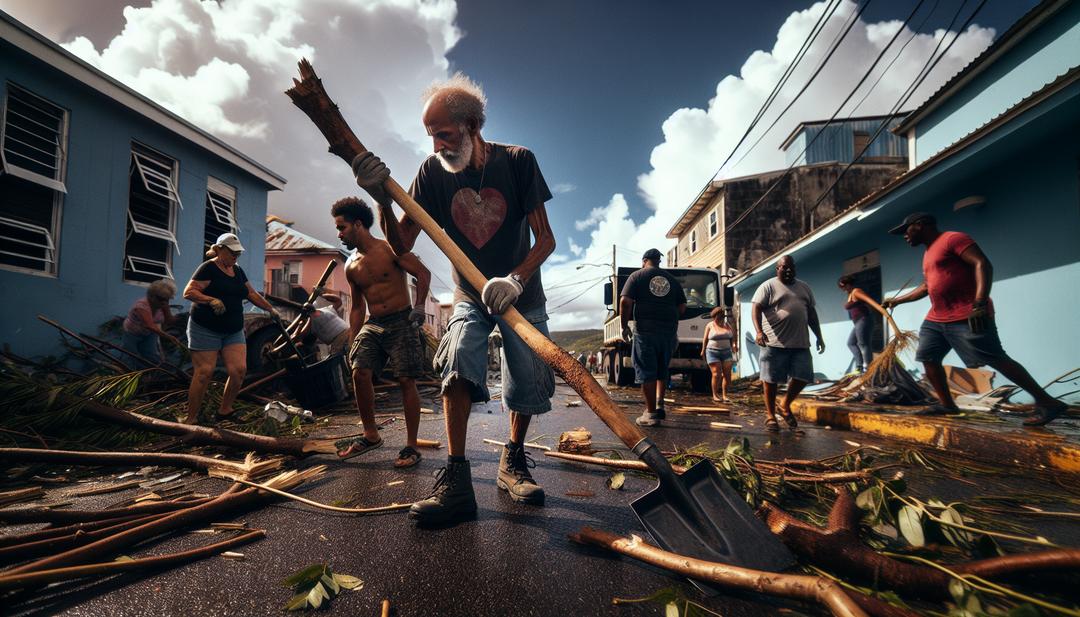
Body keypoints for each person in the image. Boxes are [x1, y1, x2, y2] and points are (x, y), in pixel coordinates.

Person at [352, 73, 556, 524]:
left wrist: (517, 279)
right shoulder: (431, 173)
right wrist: (381, 200)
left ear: (472, 127)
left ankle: (514, 459)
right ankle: (458, 481)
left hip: (522, 293)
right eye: (430, 135)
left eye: (443, 133)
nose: (436, 145)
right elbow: (402, 244)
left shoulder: (519, 161)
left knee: (525, 381)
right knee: (458, 358)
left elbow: (546, 239)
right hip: (468, 291)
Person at [881, 213, 1067, 426]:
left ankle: (1046, 401)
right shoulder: (928, 253)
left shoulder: (953, 239)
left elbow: (982, 264)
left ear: (920, 225)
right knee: (928, 357)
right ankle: (947, 405)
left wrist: (979, 303)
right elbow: (927, 286)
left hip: (967, 314)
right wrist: (897, 301)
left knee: (995, 357)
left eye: (906, 230)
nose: (904, 236)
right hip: (936, 318)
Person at [331, 197, 431, 468]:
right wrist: (352, 339)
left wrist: (420, 307)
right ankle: (371, 434)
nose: (339, 234)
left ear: (358, 224)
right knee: (359, 372)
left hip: (402, 319)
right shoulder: (351, 265)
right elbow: (357, 306)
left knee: (405, 380)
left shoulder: (390, 249)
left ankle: (411, 446)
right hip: (374, 323)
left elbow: (422, 273)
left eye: (342, 227)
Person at [182, 233, 281, 424]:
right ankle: (191, 418)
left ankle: (225, 410)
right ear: (219, 250)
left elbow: (250, 293)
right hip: (205, 327)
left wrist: (270, 309)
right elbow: (189, 292)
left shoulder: (238, 270)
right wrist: (210, 299)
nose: (236, 256)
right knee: (204, 372)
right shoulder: (208, 268)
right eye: (232, 252)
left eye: (238, 253)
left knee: (239, 370)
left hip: (233, 329)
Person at [751, 255, 825, 432]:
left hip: (800, 343)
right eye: (784, 267)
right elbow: (756, 308)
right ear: (777, 269)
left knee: (804, 376)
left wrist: (819, 336)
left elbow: (812, 314)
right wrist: (759, 331)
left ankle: (784, 404)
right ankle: (770, 416)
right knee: (770, 381)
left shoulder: (804, 287)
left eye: (791, 267)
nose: (789, 270)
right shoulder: (768, 286)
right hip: (774, 343)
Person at [620, 248, 686, 427]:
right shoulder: (671, 280)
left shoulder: (637, 276)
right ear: (659, 261)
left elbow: (625, 302)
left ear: (644, 260)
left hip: (645, 331)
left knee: (647, 371)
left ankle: (650, 414)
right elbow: (682, 307)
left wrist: (624, 326)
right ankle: (659, 404)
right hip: (668, 333)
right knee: (661, 369)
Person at [122, 279, 181, 366]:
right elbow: (149, 325)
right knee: (131, 355)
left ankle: (152, 374)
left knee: (151, 355)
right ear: (151, 296)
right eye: (161, 299)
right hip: (132, 333)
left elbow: (169, 319)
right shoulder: (142, 306)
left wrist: (184, 318)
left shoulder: (163, 304)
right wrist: (168, 337)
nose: (164, 302)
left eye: (167, 299)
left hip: (150, 333)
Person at [296, 291, 352, 356]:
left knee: (336, 359)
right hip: (342, 337)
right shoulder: (311, 322)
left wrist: (322, 295)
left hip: (344, 335)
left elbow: (338, 301)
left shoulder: (325, 310)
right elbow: (299, 336)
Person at [838, 275, 874, 374]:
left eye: (844, 287)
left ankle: (869, 369)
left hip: (864, 319)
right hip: (858, 322)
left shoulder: (856, 291)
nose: (843, 289)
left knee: (863, 344)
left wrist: (880, 307)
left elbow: (868, 300)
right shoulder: (851, 294)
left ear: (848, 285)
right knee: (851, 343)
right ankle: (859, 366)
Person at [700, 306, 737, 403]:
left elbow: (732, 337)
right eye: (714, 317)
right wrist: (703, 350)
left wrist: (734, 345)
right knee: (716, 374)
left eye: (718, 316)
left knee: (727, 375)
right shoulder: (710, 325)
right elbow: (705, 339)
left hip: (726, 352)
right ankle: (715, 394)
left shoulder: (727, 325)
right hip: (712, 352)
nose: (716, 319)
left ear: (721, 316)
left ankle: (725, 395)